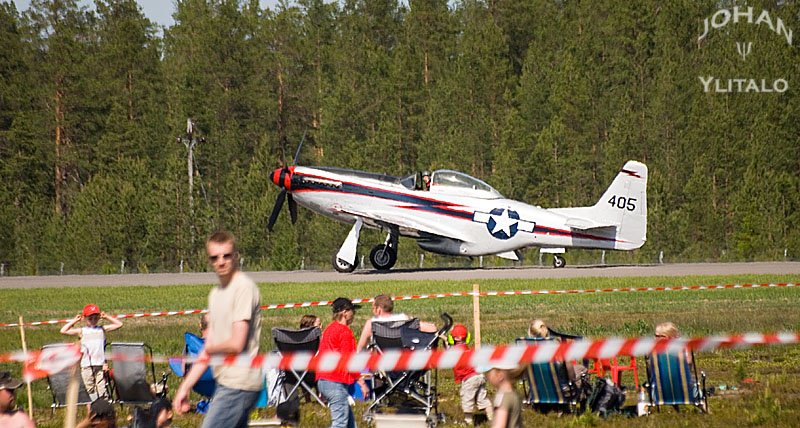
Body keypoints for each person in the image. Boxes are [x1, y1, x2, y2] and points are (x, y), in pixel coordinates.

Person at [173, 231, 262, 428]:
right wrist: (185, 387)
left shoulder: (243, 289)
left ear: (235, 256)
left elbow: (237, 343)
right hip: (226, 382)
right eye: (215, 257)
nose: (221, 262)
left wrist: (211, 347)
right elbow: (208, 348)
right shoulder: (217, 294)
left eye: (226, 256)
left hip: (240, 383)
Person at [316, 297, 369, 428]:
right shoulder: (345, 332)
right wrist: (361, 382)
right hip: (335, 382)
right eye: (352, 311)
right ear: (345, 312)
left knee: (350, 425)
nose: (354, 315)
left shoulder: (328, 329)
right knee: (339, 424)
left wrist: (322, 384)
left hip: (323, 379)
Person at [60, 304, 123, 399]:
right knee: (90, 387)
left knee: (101, 387)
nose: (93, 321)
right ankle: (94, 405)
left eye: (95, 318)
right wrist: (75, 320)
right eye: (90, 318)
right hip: (86, 364)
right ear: (85, 318)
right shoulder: (82, 330)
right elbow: (63, 330)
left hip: (100, 364)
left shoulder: (101, 329)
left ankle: (103, 405)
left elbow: (119, 324)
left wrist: (107, 317)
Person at [356, 294, 437, 351]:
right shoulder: (405, 320)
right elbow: (433, 329)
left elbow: (360, 348)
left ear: (378, 309)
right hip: (403, 363)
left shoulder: (372, 324)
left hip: (382, 364)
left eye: (373, 308)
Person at [449, 324, 493, 425]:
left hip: (469, 379)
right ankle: (492, 417)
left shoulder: (455, 350)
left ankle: (468, 421)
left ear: (454, 339)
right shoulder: (466, 348)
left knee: (467, 399)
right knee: (482, 398)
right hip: (479, 375)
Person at [527, 318, 587, 390]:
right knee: (582, 370)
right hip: (562, 389)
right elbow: (571, 374)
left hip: (539, 389)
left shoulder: (527, 350)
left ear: (530, 333)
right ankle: (584, 397)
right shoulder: (557, 345)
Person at [481, 364, 524, 428]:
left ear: (499, 375)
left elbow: (500, 425)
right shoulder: (514, 395)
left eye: (489, 373)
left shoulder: (503, 396)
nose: (488, 376)